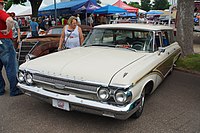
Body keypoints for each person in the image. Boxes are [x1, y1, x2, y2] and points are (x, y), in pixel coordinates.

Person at [0, 0, 23, 96]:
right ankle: (14, 89)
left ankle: (0, 88)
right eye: (3, 4)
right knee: (11, 66)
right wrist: (7, 30)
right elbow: (10, 20)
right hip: (4, 40)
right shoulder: (1, 12)